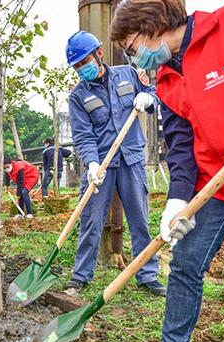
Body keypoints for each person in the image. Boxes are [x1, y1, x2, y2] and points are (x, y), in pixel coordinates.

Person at [110, 0, 224, 342]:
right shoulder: (167, 77)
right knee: (185, 261)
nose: (135, 58)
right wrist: (178, 199)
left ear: (152, 25)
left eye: (133, 47)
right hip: (219, 182)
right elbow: (181, 144)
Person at [66, 31, 166, 296]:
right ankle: (81, 276)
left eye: (84, 61)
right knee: (91, 219)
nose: (81, 68)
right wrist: (90, 164)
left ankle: (147, 275)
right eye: (76, 65)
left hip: (131, 158)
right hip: (102, 165)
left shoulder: (128, 74)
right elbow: (84, 136)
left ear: (98, 53)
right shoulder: (78, 97)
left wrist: (149, 99)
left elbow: (153, 92)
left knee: (140, 220)